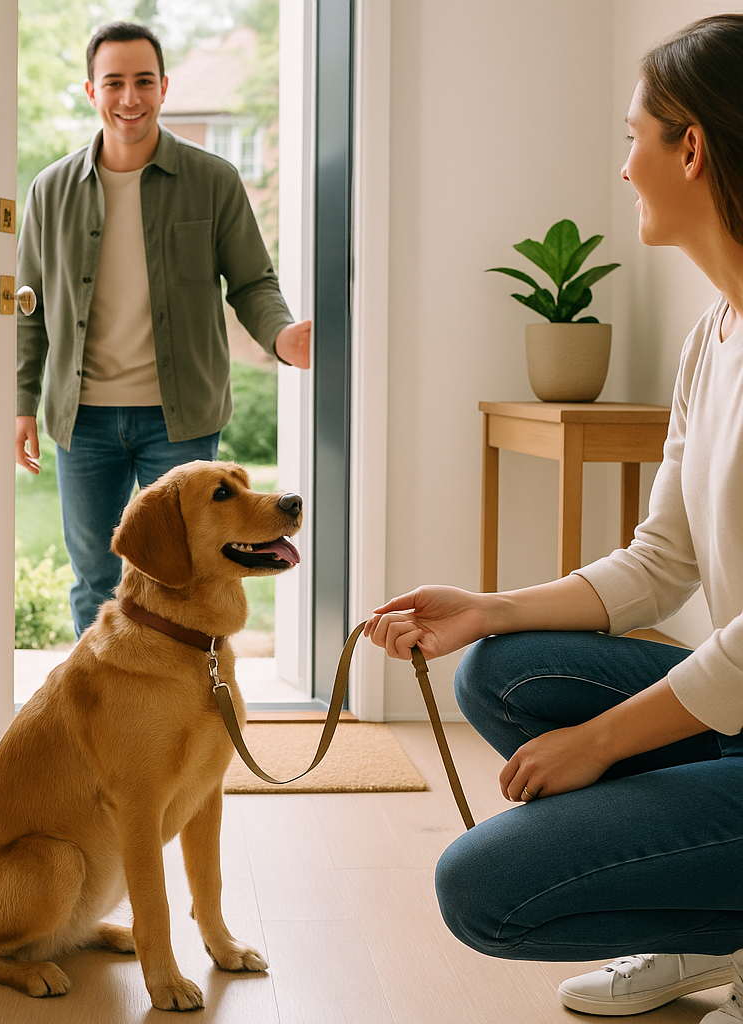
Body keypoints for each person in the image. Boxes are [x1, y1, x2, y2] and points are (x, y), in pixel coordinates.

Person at [365, 14, 743, 1023]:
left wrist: (603, 740)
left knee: (483, 889)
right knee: (507, 663)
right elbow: (661, 561)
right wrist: (486, 607)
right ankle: (711, 931)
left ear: (691, 148)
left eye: (633, 138)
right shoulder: (715, 332)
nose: (623, 169)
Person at [15, 21, 310, 636]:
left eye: (143, 81)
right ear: (91, 90)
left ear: (164, 87)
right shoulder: (51, 190)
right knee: (97, 577)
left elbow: (253, 282)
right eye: (114, 82)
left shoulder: (214, 179)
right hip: (83, 417)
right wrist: (22, 403)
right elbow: (31, 307)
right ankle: (106, 715)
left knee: (196, 571)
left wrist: (282, 337)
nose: (130, 97)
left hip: (180, 416)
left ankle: (187, 707)